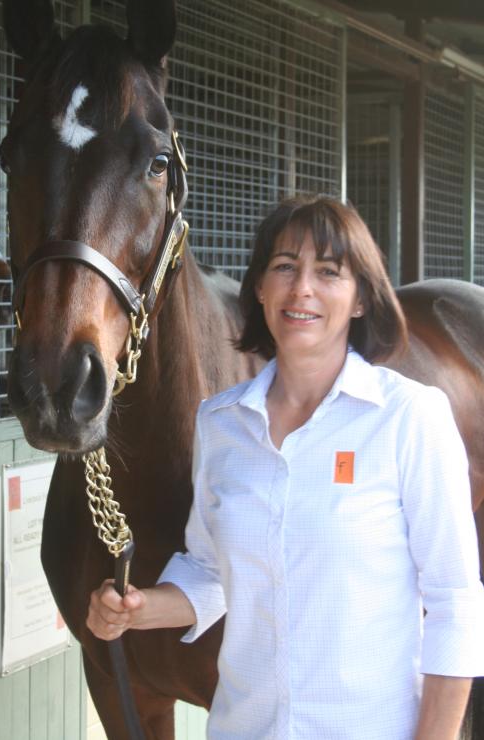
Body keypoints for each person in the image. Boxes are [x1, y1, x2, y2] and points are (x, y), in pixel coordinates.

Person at [87, 195, 484, 740]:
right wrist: (137, 609)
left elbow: (454, 601)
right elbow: (210, 572)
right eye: (285, 267)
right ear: (260, 288)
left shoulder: (410, 418)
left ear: (361, 298)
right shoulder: (221, 424)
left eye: (328, 272)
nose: (302, 289)